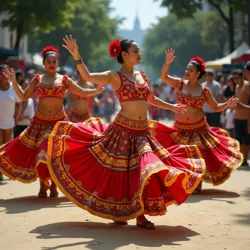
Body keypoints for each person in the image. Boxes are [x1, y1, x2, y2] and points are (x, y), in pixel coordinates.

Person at [47, 35, 205, 229]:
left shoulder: (142, 76)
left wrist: (172, 107)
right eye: (136, 51)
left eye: (139, 51)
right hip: (122, 131)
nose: (140, 54)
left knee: (146, 170)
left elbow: (152, 99)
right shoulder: (114, 76)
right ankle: (121, 212)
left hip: (142, 132)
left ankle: (141, 216)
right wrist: (77, 56)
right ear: (124, 54)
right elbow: (87, 76)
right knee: (123, 174)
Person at [0, 46, 104, 197]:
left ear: (57, 63)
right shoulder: (37, 79)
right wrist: (14, 82)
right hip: (40, 122)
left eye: (54, 61)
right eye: (49, 61)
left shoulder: (64, 79)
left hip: (58, 122)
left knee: (56, 154)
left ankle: (54, 185)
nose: (52, 63)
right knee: (41, 154)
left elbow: (81, 91)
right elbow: (23, 97)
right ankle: (43, 185)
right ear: (43, 63)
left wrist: (96, 91)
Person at [149, 49, 243, 193]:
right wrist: (167, 63)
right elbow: (164, 76)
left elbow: (216, 107)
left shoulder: (204, 91)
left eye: (191, 69)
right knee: (181, 156)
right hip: (180, 129)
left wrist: (227, 104)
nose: (187, 71)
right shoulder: (179, 84)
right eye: (187, 69)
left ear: (198, 73)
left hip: (199, 129)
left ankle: (195, 185)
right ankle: (181, 182)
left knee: (198, 157)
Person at [0, 65, 22, 181]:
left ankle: (5, 169)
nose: (6, 74)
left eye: (8, 72)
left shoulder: (14, 87)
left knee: (6, 147)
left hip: (9, 120)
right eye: (3, 72)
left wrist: (16, 116)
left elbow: (19, 102)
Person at [233, 69, 250, 166]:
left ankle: (245, 158)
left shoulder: (247, 86)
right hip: (237, 117)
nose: (236, 80)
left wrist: (241, 105)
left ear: (242, 77)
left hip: (246, 117)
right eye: (234, 78)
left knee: (247, 139)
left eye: (237, 78)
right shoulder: (236, 87)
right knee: (239, 138)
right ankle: (242, 158)